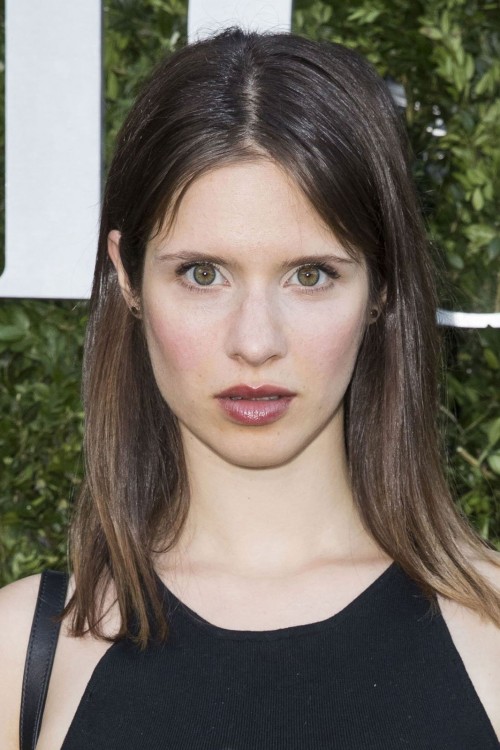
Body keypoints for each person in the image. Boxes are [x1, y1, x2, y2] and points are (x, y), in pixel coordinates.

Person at [1, 27, 499, 750]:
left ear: (382, 284)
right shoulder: (19, 658)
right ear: (127, 276)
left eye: (311, 275)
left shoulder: (491, 631)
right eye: (202, 274)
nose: (256, 341)